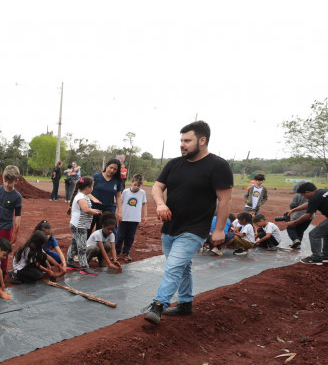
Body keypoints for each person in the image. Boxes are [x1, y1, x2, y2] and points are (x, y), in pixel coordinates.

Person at [144, 120, 233, 324]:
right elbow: (157, 188)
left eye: (187, 141)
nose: (182, 144)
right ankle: (185, 303)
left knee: (174, 267)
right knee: (181, 266)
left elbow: (225, 199)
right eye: (181, 141)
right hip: (170, 226)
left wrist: (219, 229)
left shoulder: (218, 166)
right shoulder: (174, 164)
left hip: (195, 228)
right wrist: (160, 204)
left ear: (202, 140)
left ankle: (158, 304)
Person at [66, 176, 102, 276]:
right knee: (82, 247)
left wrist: (93, 210)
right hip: (80, 226)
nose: (93, 188)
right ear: (87, 187)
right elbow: (85, 210)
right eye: (92, 186)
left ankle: (70, 262)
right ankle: (84, 267)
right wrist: (95, 212)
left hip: (77, 224)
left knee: (74, 244)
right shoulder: (81, 197)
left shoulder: (81, 195)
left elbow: (85, 209)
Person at [116, 173, 148, 261]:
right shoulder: (125, 192)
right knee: (120, 236)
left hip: (135, 219)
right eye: (135, 184)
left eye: (138, 185)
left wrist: (145, 215)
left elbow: (144, 204)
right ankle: (117, 252)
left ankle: (126, 253)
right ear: (132, 182)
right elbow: (120, 203)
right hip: (124, 218)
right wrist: (118, 213)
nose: (136, 187)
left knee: (130, 237)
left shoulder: (142, 193)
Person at [91, 158, 124, 231]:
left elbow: (118, 196)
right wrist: (93, 199)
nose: (112, 170)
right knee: (87, 232)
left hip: (107, 211)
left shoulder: (117, 181)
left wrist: (120, 211)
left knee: (102, 234)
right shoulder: (96, 177)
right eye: (111, 167)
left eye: (115, 169)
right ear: (106, 166)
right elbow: (85, 189)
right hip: (92, 209)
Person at [285, 180, 313, 249]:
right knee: (301, 230)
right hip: (310, 216)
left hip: (298, 215)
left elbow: (293, 205)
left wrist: (292, 210)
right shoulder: (312, 194)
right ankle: (298, 244)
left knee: (290, 227)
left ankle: (295, 240)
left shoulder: (298, 194)